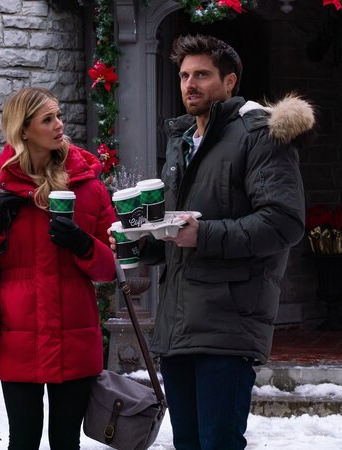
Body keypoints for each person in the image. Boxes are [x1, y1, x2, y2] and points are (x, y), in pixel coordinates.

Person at [114, 34, 314, 449]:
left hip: (229, 322)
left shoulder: (259, 135)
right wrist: (140, 241)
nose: (190, 84)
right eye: (184, 75)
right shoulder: (182, 142)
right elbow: (178, 234)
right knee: (187, 443)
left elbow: (284, 222)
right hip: (178, 326)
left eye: (202, 75)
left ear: (229, 81)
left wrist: (203, 235)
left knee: (218, 443)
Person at [0, 87, 117, 450]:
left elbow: (110, 269)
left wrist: (83, 244)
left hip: (75, 339)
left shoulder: (89, 188)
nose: (59, 125)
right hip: (17, 340)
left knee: (66, 443)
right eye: (48, 119)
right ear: (23, 130)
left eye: (59, 116)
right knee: (22, 442)